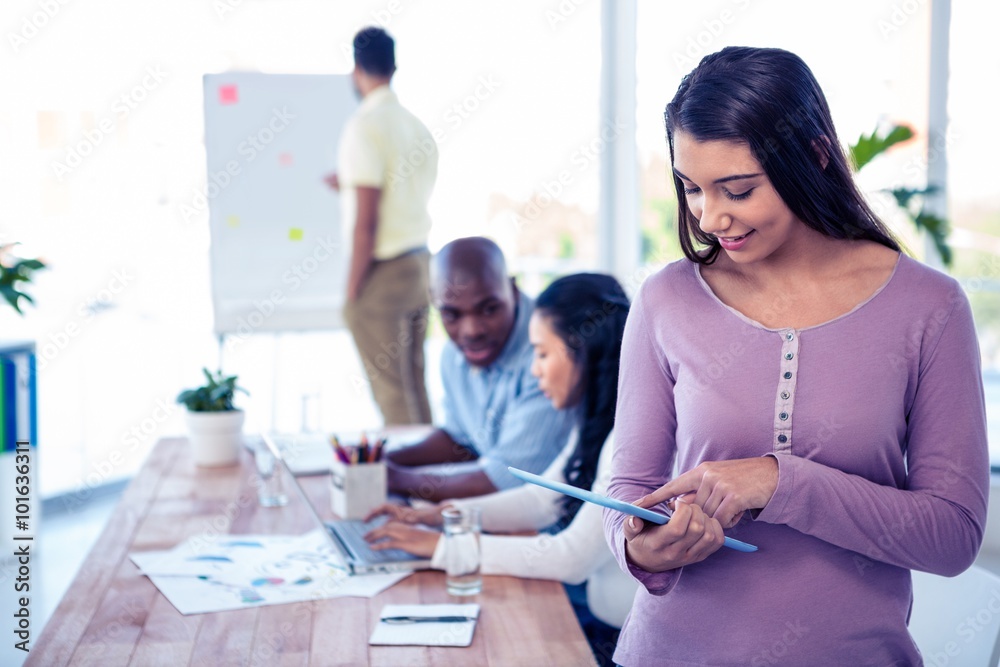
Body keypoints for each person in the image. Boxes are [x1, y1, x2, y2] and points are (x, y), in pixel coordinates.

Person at [603, 46, 989, 666]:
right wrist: (643, 545)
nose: (710, 216)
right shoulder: (666, 299)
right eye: (692, 188)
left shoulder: (929, 308)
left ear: (812, 156)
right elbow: (630, 491)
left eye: (738, 189)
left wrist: (780, 481)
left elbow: (951, 537)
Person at [366, 273, 638, 666]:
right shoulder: (594, 420)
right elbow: (542, 499)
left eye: (543, 354)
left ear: (583, 349)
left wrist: (442, 548)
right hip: (603, 618)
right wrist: (445, 517)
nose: (534, 371)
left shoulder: (627, 437)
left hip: (626, 641)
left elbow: (570, 558)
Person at [383, 237, 576, 500]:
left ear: (513, 290)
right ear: (434, 301)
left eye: (489, 309)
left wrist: (395, 478)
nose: (472, 331)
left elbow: (505, 480)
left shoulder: (548, 356)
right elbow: (460, 441)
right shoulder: (453, 354)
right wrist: (382, 460)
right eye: (451, 314)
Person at [326, 26, 437, 426]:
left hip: (384, 272)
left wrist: (353, 289)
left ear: (356, 70)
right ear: (394, 66)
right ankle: (434, 480)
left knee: (392, 392)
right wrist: (349, 183)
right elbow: (398, 190)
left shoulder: (364, 126)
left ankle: (411, 486)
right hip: (419, 264)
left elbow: (367, 222)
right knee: (413, 383)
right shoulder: (414, 126)